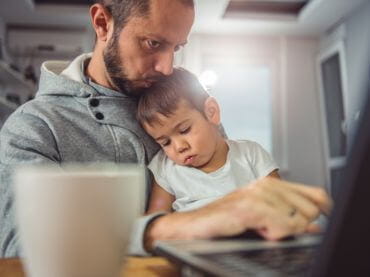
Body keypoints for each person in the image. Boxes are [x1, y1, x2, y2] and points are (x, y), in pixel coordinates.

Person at [0, 0, 331, 258]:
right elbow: (22, 251)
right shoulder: (32, 129)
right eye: (152, 43)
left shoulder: (182, 104)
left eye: (176, 47)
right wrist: (166, 228)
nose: (168, 66)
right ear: (103, 23)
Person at [137, 68, 280, 214]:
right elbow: (155, 221)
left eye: (185, 130)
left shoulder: (251, 154)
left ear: (211, 112)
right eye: (165, 143)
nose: (179, 147)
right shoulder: (165, 168)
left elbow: (281, 203)